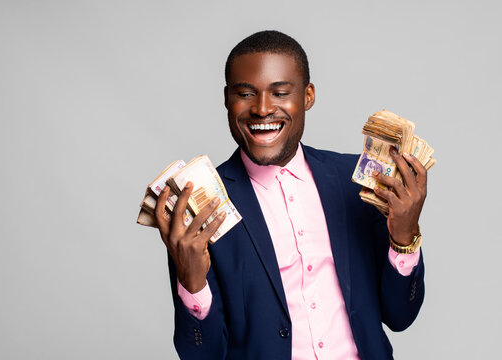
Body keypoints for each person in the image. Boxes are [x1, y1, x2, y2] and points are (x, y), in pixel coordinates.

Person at [154, 30, 427, 360]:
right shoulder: (198, 207)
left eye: (280, 92)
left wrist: (405, 237)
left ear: (308, 96)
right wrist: (191, 282)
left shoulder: (355, 182)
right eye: (245, 94)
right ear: (227, 99)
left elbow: (400, 316)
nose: (263, 109)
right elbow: (202, 355)